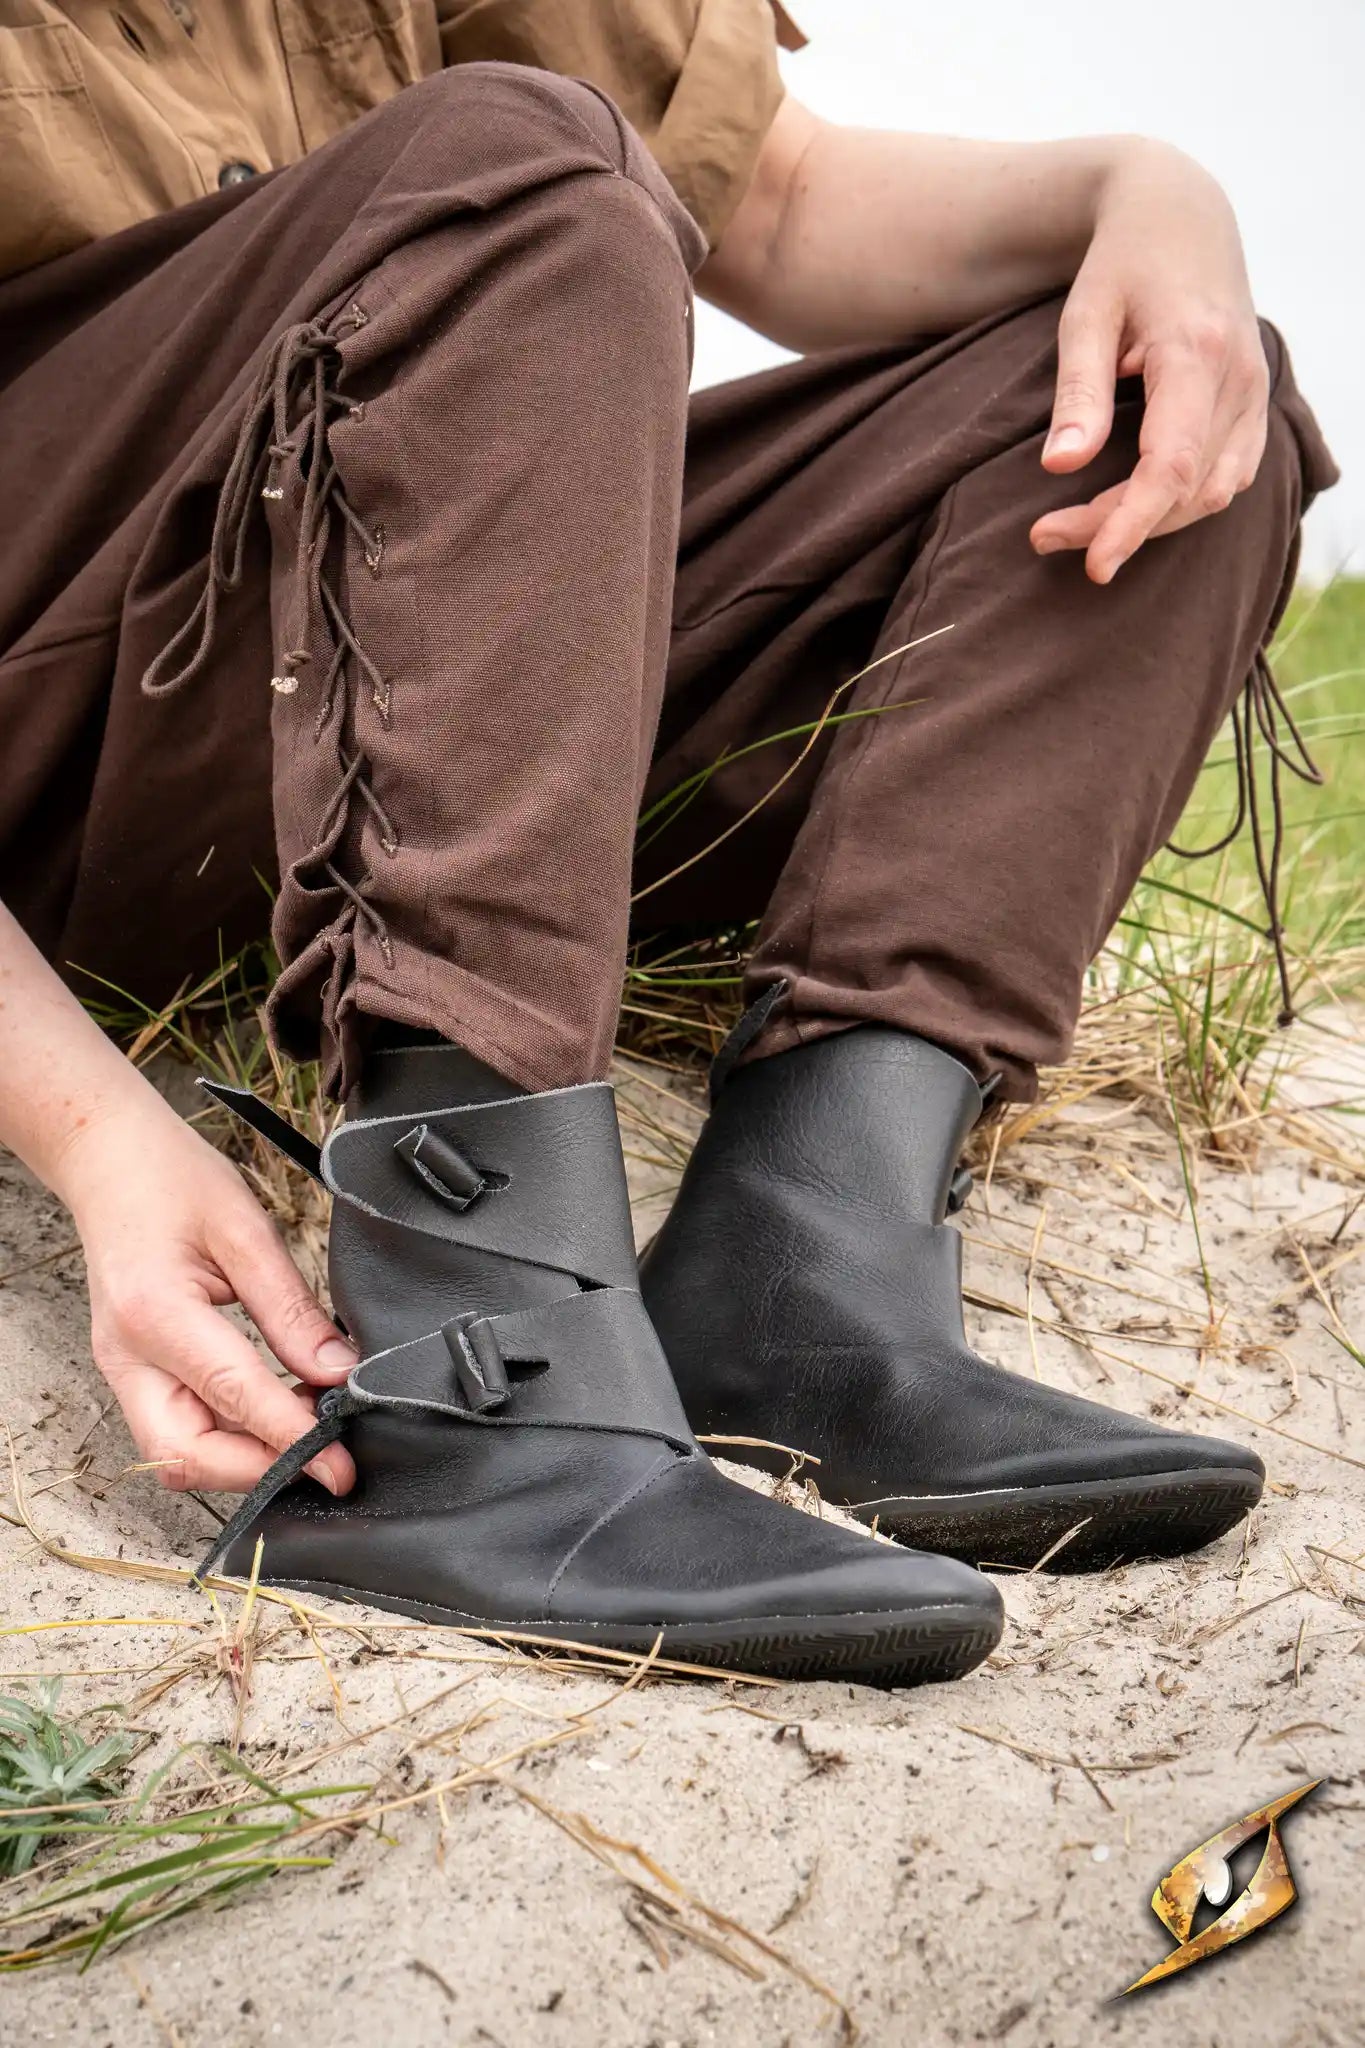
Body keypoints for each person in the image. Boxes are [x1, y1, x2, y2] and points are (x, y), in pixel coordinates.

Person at [0, 2, 1337, 1686]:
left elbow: (771, 196)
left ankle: (804, 1266)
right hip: (62, 747)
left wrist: (1144, 190)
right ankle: (479, 1372)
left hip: (397, 711)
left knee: (1145, 390)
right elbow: (525, 186)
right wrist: (95, 1139)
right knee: (514, 164)